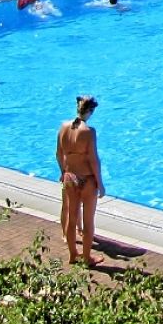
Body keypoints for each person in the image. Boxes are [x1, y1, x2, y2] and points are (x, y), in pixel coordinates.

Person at [56, 95, 105, 267]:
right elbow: (93, 159)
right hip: (87, 180)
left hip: (70, 177)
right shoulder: (89, 132)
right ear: (90, 111)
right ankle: (86, 257)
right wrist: (100, 183)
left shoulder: (63, 127)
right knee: (88, 220)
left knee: (72, 216)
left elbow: (59, 154)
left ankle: (72, 254)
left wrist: (64, 172)